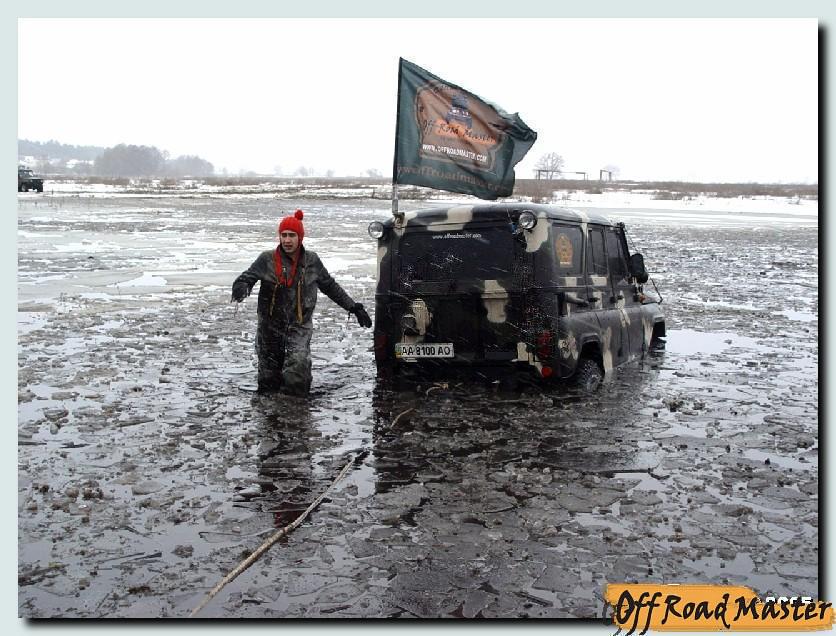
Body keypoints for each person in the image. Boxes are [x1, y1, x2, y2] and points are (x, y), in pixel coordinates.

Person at [231, 209, 372, 395]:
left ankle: (298, 410)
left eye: (292, 235)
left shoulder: (312, 261)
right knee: (268, 382)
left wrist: (353, 307)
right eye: (283, 235)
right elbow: (245, 278)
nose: (287, 240)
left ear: (300, 237)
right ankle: (269, 411)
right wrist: (242, 287)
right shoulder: (266, 259)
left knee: (298, 373)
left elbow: (330, 286)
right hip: (270, 328)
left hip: (299, 327)